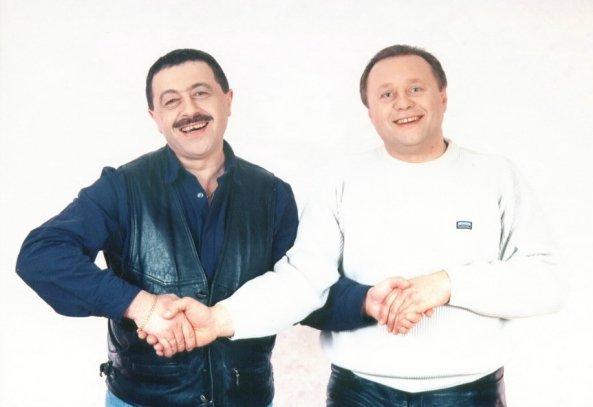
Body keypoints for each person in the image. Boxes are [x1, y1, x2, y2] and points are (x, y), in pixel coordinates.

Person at [153, 45, 564, 406]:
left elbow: (548, 281)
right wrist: (219, 319)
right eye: (387, 94)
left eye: (415, 88)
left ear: (442, 96)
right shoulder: (341, 179)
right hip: (360, 392)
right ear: (370, 112)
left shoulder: (495, 175)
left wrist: (447, 284)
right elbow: (302, 281)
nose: (402, 103)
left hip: (468, 393)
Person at [15, 48, 377, 407]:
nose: (189, 110)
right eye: (171, 101)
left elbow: (303, 291)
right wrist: (141, 306)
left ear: (228, 100)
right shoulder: (121, 188)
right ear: (155, 117)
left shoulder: (272, 194)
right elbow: (41, 256)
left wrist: (367, 301)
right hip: (141, 401)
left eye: (200, 93)